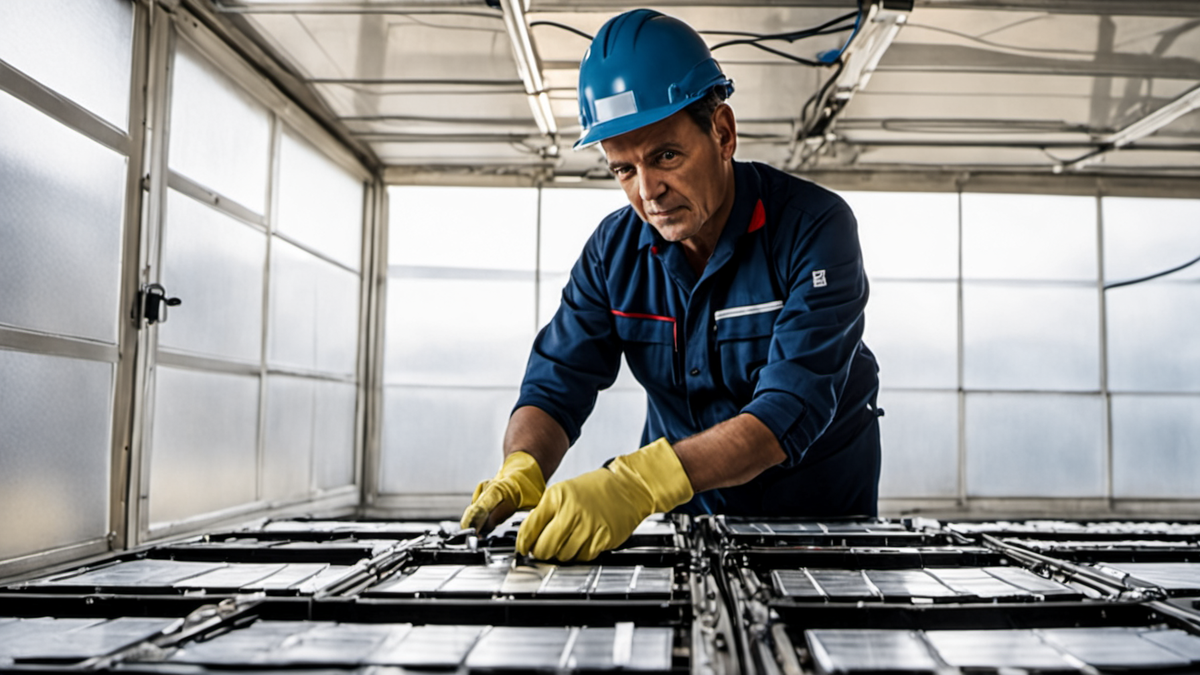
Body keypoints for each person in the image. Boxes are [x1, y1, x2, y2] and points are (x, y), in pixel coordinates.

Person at [460, 8, 881, 562]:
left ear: (723, 133)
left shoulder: (814, 228)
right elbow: (556, 384)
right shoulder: (614, 253)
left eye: (665, 156)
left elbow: (785, 411)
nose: (648, 191)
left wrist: (635, 483)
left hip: (816, 518)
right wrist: (522, 465)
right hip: (686, 515)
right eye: (623, 170)